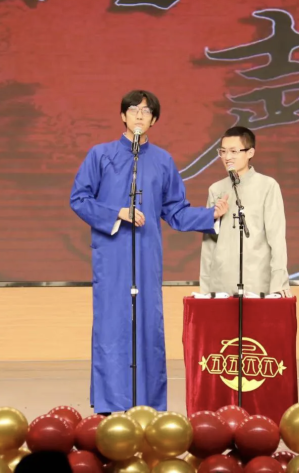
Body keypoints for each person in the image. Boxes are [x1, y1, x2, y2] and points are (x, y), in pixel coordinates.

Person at [70, 90, 229, 413]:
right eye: (133, 109)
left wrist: (209, 215)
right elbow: (80, 199)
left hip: (147, 254)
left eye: (146, 111)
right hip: (112, 253)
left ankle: (149, 404)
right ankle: (109, 403)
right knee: (111, 326)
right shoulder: (100, 155)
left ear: (154, 120)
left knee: (147, 325)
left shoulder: (163, 161)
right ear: (123, 116)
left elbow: (175, 211)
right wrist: (117, 213)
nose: (139, 115)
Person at [200, 126, 291, 297]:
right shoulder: (216, 189)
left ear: (250, 152)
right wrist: (205, 289)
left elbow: (277, 238)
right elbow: (209, 243)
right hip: (221, 282)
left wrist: (279, 284)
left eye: (233, 151)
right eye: (223, 151)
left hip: (257, 281)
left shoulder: (267, 186)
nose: (227, 157)